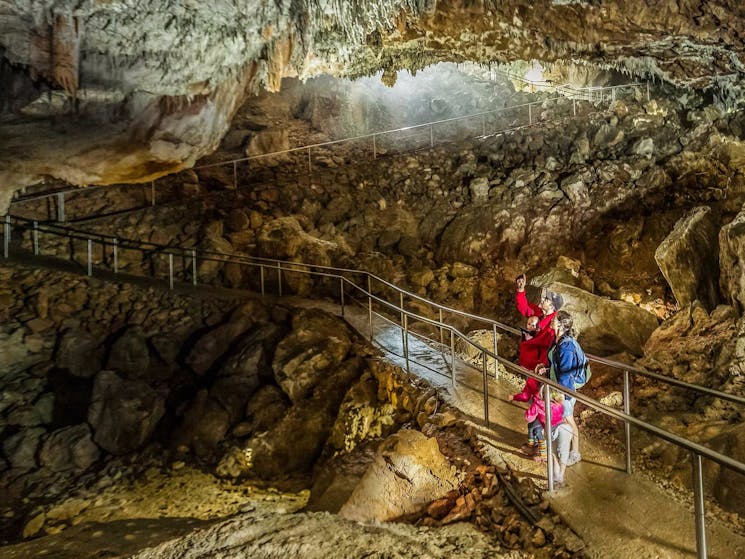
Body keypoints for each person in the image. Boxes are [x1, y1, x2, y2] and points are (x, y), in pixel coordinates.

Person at [541, 310, 586, 466]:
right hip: (559, 387)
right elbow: (557, 365)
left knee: (568, 419)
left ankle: (575, 452)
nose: (551, 321)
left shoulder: (566, 345)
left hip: (565, 390)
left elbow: (566, 373)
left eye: (554, 320)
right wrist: (546, 370)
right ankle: (562, 449)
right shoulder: (558, 340)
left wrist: (562, 394)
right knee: (563, 419)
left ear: (560, 324)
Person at [509, 314, 553, 454]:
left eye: (534, 325)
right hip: (532, 373)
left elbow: (527, 394)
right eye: (529, 324)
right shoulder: (529, 336)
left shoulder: (540, 339)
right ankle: (532, 445)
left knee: (536, 423)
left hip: (536, 377)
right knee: (534, 424)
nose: (531, 327)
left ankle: (541, 451)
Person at [524, 392, 572, 487]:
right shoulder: (559, 403)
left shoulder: (538, 404)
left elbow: (528, 418)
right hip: (566, 427)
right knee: (563, 453)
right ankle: (560, 476)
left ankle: (555, 479)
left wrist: (530, 411)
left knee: (552, 453)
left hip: (552, 431)